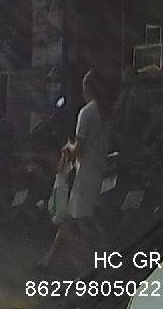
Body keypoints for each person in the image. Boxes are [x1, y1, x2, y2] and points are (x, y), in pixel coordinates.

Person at [39, 70, 116, 273]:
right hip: (100, 170)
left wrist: (68, 148)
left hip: (86, 174)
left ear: (89, 88)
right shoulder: (107, 111)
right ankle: (48, 261)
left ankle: (94, 265)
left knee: (78, 222)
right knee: (72, 221)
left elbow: (79, 150)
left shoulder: (87, 112)